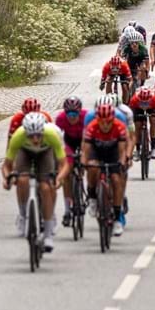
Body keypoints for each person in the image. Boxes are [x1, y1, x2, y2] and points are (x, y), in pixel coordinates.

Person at [2, 113, 70, 251]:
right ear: (25, 133)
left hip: (46, 152)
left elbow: (64, 164)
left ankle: (48, 233)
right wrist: (7, 178)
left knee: (46, 186)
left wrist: (59, 178)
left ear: (43, 132)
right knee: (22, 179)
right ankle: (23, 215)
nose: (35, 139)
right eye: (31, 136)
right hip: (25, 152)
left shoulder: (51, 135)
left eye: (38, 135)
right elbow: (6, 165)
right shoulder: (18, 136)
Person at [82, 97, 131, 236]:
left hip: (113, 151)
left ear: (112, 119)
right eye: (101, 121)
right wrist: (85, 161)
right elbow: (86, 149)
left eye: (107, 121)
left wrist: (122, 161)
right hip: (96, 150)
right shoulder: (92, 127)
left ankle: (117, 217)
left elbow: (122, 150)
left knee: (116, 179)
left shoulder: (119, 126)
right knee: (92, 168)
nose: (104, 124)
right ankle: (92, 196)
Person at [55, 97, 87, 227]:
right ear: (65, 112)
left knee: (84, 161)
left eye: (75, 114)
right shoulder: (60, 118)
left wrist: (84, 155)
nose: (72, 117)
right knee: (67, 173)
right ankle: (68, 210)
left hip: (84, 140)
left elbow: (89, 140)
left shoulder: (86, 116)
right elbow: (57, 141)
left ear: (80, 112)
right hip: (68, 141)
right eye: (69, 114)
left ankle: (80, 177)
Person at [128, 87, 155, 159]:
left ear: (150, 99)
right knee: (137, 125)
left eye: (146, 102)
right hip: (137, 108)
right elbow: (129, 113)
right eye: (142, 102)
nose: (144, 104)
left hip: (152, 108)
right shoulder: (134, 99)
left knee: (153, 121)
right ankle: (137, 150)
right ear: (139, 99)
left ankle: (153, 148)